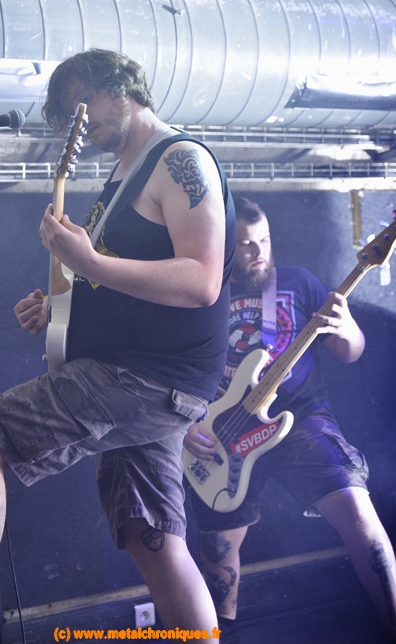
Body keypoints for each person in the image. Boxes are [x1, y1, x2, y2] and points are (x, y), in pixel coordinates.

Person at [0, 49, 236, 644]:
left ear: (121, 89)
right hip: (148, 377)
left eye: (80, 103)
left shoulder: (180, 158)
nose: (77, 122)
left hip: (146, 377)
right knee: (152, 539)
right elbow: (129, 277)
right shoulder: (127, 174)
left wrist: (88, 263)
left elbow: (200, 280)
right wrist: (64, 304)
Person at [183, 196, 396, 644]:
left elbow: (350, 352)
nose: (259, 251)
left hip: (299, 417)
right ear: (224, 245)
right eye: (246, 244)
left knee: (357, 509)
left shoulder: (299, 283)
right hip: (223, 432)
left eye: (264, 240)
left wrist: (344, 327)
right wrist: (186, 424)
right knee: (218, 551)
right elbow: (175, 369)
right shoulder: (203, 294)